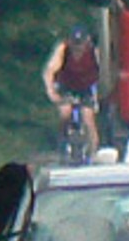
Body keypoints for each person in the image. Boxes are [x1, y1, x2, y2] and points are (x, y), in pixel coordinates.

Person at [42, 25, 101, 155]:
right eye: (75, 44)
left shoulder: (94, 52)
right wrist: (51, 92)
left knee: (88, 118)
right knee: (65, 113)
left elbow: (106, 71)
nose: (77, 48)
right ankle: (61, 144)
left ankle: (93, 151)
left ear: (87, 42)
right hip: (66, 86)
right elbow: (50, 71)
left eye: (80, 44)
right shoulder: (63, 50)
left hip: (86, 87)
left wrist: (102, 91)